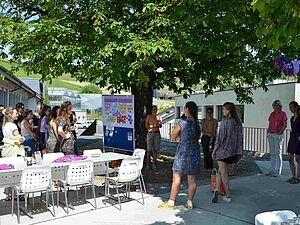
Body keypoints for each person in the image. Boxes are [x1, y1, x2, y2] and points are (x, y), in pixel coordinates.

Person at [158, 101, 201, 209]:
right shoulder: (197, 123)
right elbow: (197, 136)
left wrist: (180, 140)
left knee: (176, 177)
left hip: (183, 153)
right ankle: (189, 202)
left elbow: (173, 136)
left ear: (187, 109)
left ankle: (171, 202)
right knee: (192, 179)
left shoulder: (182, 122)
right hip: (194, 152)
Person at [211, 102, 243, 203]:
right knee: (220, 171)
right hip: (233, 151)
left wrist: (214, 150)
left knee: (223, 173)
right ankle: (217, 189)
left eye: (224, 109)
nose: (222, 111)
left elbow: (220, 138)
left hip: (223, 151)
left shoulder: (225, 121)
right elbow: (240, 138)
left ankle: (228, 195)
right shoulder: (237, 122)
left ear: (228, 110)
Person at [2, 107, 25, 201]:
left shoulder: (5, 125)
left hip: (6, 150)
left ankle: (9, 194)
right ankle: (16, 193)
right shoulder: (13, 126)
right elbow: (19, 138)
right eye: (15, 113)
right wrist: (23, 139)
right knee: (17, 171)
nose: (17, 114)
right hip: (14, 150)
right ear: (10, 115)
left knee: (8, 172)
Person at [266, 100, 287, 177]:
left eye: (276, 105)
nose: (275, 107)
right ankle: (272, 169)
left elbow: (285, 125)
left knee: (278, 152)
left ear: (280, 106)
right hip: (271, 133)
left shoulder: (283, 114)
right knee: (272, 153)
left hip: (278, 134)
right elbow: (270, 123)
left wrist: (280, 132)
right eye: (274, 105)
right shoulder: (272, 114)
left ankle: (278, 170)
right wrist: (268, 131)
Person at [201, 107, 218, 172]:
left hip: (212, 137)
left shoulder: (215, 121)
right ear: (206, 113)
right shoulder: (203, 121)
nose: (209, 114)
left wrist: (212, 138)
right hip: (205, 137)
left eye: (210, 112)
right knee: (205, 152)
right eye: (208, 112)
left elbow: (214, 130)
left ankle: (210, 167)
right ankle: (206, 166)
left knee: (211, 152)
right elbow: (202, 130)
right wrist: (208, 134)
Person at [287, 101, 300, 184]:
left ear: (295, 107)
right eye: (289, 107)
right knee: (290, 158)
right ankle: (293, 176)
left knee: (298, 159)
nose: (290, 109)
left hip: (299, 139)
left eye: (291, 107)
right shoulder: (292, 118)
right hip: (292, 138)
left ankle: (297, 178)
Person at [145, 105, 162, 169]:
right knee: (149, 150)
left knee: (155, 150)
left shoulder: (159, 117)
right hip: (150, 133)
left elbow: (160, 125)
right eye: (153, 109)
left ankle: (154, 164)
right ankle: (148, 164)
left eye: (155, 109)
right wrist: (152, 126)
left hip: (157, 134)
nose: (154, 110)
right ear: (151, 110)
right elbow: (146, 125)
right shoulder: (149, 117)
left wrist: (157, 124)